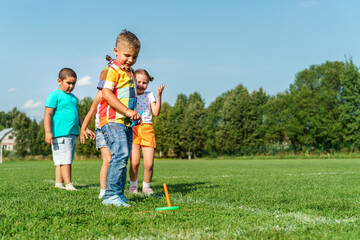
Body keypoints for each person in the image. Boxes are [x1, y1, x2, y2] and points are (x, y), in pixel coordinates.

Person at [97, 30, 141, 207]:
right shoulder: (110, 70)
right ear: (116, 51)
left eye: (135, 57)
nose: (130, 60)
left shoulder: (129, 73)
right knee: (120, 153)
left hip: (125, 122)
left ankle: (119, 194)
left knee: (124, 156)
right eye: (127, 55)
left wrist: (133, 114)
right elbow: (106, 94)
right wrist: (127, 111)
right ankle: (110, 195)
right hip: (112, 119)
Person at [44, 68, 93, 191]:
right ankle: (68, 184)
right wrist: (48, 132)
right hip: (60, 133)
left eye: (74, 84)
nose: (71, 86)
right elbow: (47, 114)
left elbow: (78, 114)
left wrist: (84, 128)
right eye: (68, 83)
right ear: (59, 81)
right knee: (65, 159)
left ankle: (59, 184)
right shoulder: (54, 95)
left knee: (62, 159)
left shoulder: (73, 98)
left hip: (72, 133)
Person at [80, 56, 114, 199]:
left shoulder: (119, 94)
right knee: (108, 160)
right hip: (102, 129)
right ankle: (103, 191)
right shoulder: (101, 94)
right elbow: (92, 111)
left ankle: (115, 189)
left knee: (117, 160)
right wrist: (83, 128)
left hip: (116, 129)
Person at [129, 69, 165, 194]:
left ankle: (146, 186)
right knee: (135, 162)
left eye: (144, 83)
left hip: (147, 129)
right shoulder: (130, 94)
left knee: (149, 163)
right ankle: (133, 186)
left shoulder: (149, 95)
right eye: (138, 82)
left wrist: (159, 96)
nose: (140, 85)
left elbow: (155, 112)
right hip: (133, 129)